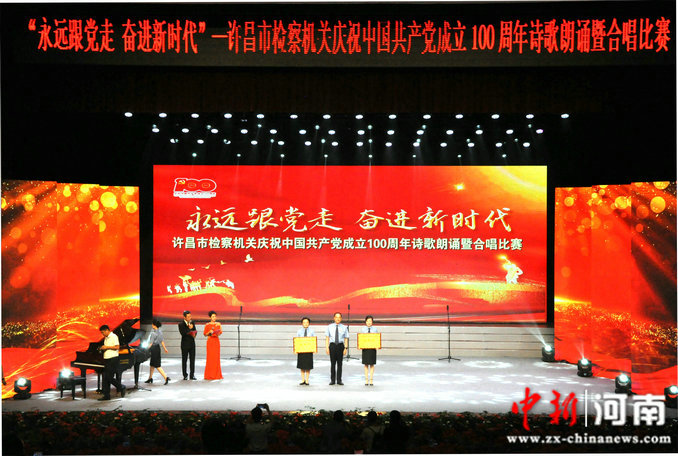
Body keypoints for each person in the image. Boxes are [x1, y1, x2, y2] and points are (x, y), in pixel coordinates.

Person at [97, 325, 126, 401]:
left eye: (103, 332)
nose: (102, 334)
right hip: (107, 359)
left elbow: (117, 347)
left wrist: (106, 347)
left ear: (107, 330)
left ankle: (121, 387)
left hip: (113, 359)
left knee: (109, 377)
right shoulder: (106, 338)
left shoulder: (114, 336)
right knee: (105, 378)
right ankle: (106, 395)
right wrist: (102, 348)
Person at [325, 312, 349, 385]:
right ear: (334, 318)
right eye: (336, 317)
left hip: (340, 346)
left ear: (341, 318)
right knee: (332, 364)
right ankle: (332, 380)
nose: (338, 319)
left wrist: (345, 348)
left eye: (339, 317)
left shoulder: (344, 327)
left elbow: (346, 338)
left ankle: (339, 380)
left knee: (340, 364)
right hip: (332, 346)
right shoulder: (329, 327)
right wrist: (327, 348)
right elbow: (327, 338)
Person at [145, 319, 170, 384]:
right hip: (158, 348)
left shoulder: (153, 333)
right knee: (152, 365)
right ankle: (150, 378)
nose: (152, 325)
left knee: (157, 365)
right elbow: (162, 341)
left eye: (152, 324)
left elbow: (151, 343)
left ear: (154, 325)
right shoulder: (160, 332)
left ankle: (166, 377)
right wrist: (165, 348)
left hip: (153, 349)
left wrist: (146, 349)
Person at [203, 310, 223, 380]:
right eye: (213, 316)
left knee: (216, 358)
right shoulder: (207, 325)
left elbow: (220, 332)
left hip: (216, 341)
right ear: (210, 317)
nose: (214, 318)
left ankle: (217, 374)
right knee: (210, 358)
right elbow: (205, 334)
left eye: (215, 316)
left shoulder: (218, 324)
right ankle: (209, 374)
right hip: (210, 341)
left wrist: (217, 333)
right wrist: (209, 332)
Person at [178, 310, 197, 380]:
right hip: (185, 345)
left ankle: (192, 375)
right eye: (188, 316)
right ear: (184, 317)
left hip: (192, 344)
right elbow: (183, 333)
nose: (190, 318)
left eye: (190, 316)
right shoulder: (181, 324)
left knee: (192, 360)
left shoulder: (192, 323)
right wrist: (189, 328)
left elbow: (195, 331)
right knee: (184, 360)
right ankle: (185, 375)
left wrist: (194, 333)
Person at [360, 315, 379, 386]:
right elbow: (361, 339)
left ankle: (371, 380)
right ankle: (366, 380)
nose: (369, 322)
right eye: (367, 321)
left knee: (372, 364)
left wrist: (377, 345)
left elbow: (377, 339)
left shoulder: (375, 329)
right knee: (365, 364)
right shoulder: (363, 329)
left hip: (372, 348)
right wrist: (361, 345)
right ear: (365, 322)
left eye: (370, 321)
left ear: (372, 322)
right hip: (365, 348)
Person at [296, 317, 314, 385]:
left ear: (309, 323)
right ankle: (302, 380)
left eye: (307, 322)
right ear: (302, 323)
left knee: (308, 366)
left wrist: (313, 348)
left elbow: (314, 340)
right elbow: (297, 340)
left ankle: (307, 380)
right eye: (304, 322)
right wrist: (296, 349)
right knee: (302, 366)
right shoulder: (299, 331)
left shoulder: (312, 331)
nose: (305, 324)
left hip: (309, 350)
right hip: (301, 351)